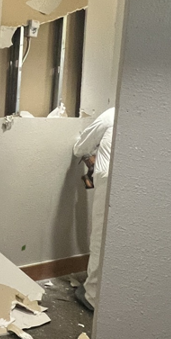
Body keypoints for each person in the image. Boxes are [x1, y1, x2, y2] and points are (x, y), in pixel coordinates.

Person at [73, 107, 115, 311]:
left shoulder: (113, 114)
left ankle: (93, 296)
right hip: (142, 186)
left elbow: (80, 147)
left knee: (101, 237)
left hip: (110, 182)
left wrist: (89, 154)